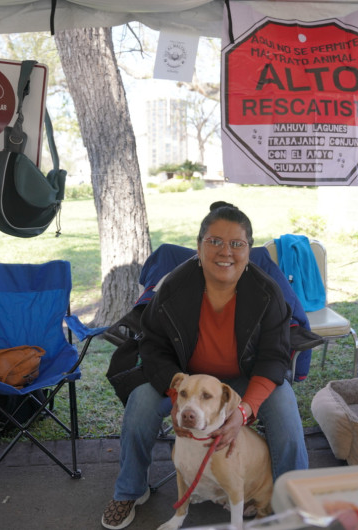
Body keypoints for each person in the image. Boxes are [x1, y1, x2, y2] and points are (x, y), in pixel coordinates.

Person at [101, 201, 308, 530]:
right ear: (199, 247)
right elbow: (153, 346)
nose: (226, 252)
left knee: (284, 409)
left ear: (248, 250)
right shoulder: (173, 287)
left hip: (242, 381)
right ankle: (130, 490)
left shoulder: (268, 294)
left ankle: (295, 499)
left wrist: (243, 411)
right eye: (215, 241)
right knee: (140, 404)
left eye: (236, 244)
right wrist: (177, 395)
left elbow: (274, 358)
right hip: (188, 383)